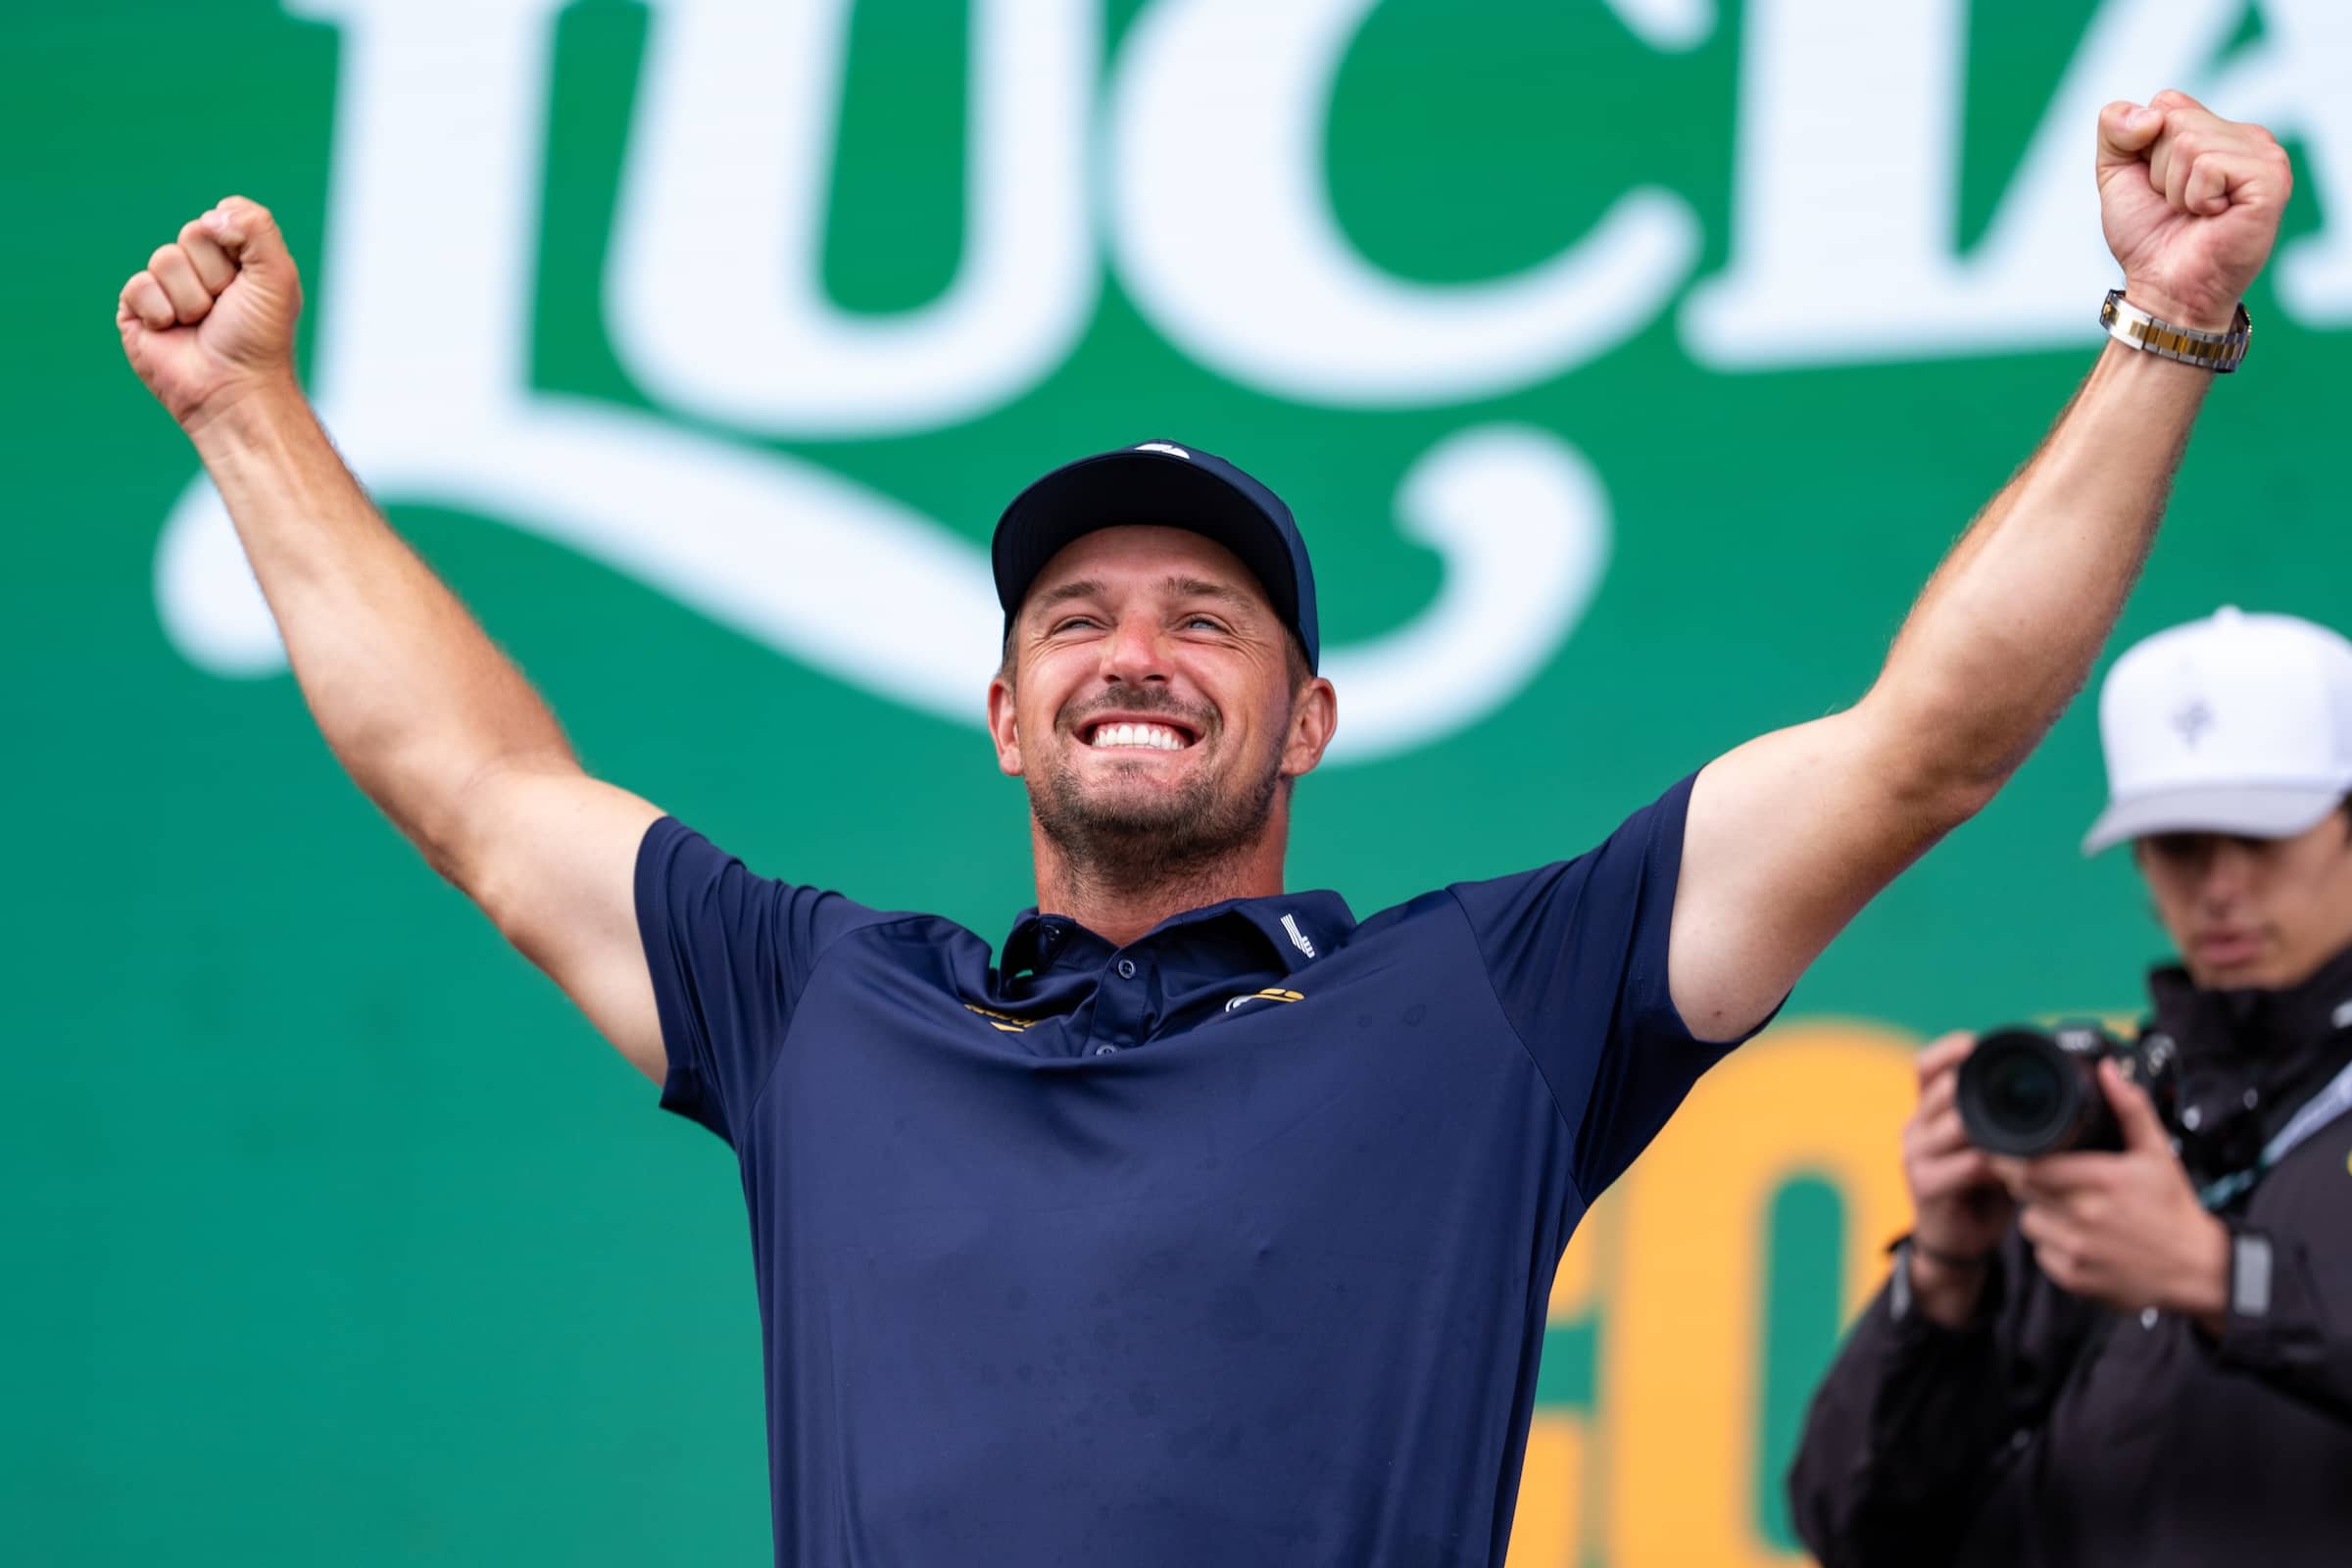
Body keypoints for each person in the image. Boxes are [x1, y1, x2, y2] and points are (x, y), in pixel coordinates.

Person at [116, 92, 2287, 1566]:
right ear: (1000, 711)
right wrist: (250, 414)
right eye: (1075, 617)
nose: (1132, 651)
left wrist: (2168, 318)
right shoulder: (818, 1003)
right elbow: (478, 792)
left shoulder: (1498, 999)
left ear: (1311, 713)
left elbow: (1930, 743)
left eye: (1203, 619)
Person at [1787, 605, 2352, 1568]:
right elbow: (1855, 1525)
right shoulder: (2106, 1130)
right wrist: (1945, 1271)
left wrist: (2223, 1281)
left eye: (2260, 836)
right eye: (2178, 841)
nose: (2218, 886)